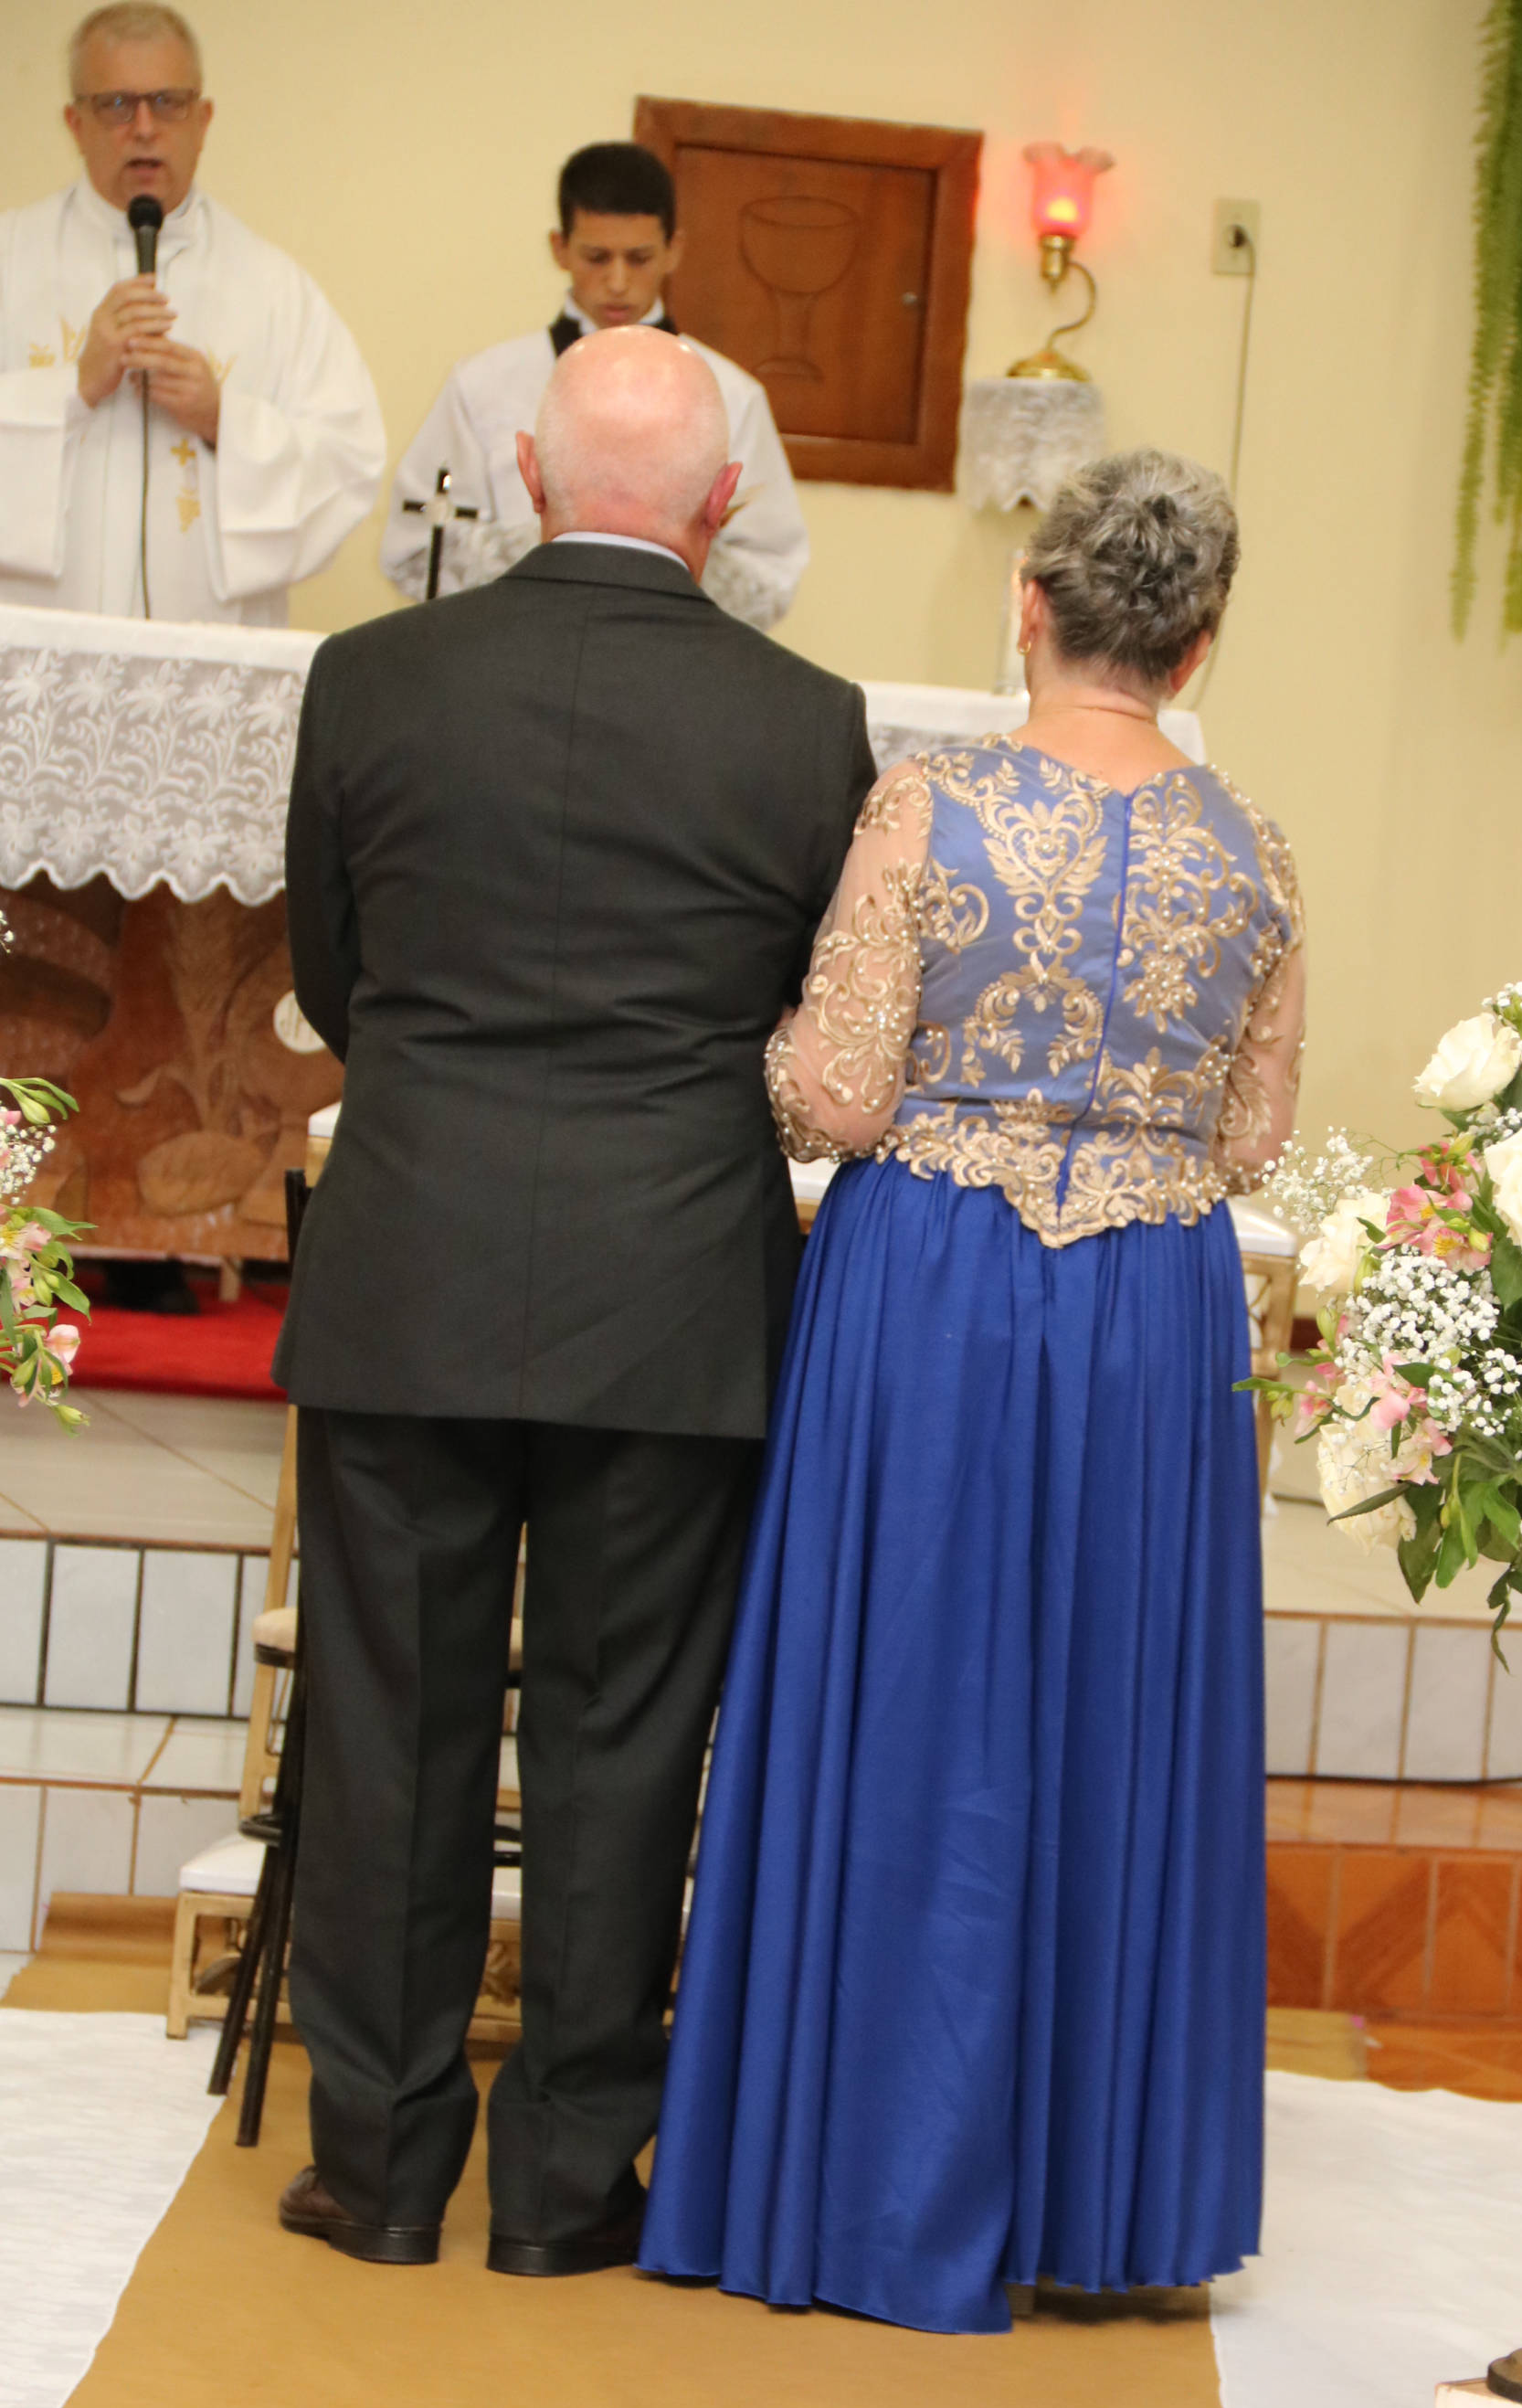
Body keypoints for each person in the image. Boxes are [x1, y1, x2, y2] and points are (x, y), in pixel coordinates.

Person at [641, 449, 1305, 2335]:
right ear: (1197, 645)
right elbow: (1253, 1134)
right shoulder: (1253, 851)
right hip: (1148, 1303)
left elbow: (841, 1095)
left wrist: (774, 1060)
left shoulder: (929, 807)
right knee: (1111, 1704)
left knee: (912, 1694)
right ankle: (1090, 2197)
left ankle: (858, 2174)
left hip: (931, 1281)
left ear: (1029, 608)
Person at [272, 326, 875, 2275]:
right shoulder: (806, 724)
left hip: (413, 1266)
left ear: (528, 478)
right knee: (622, 1743)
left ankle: (379, 2168)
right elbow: (804, 1012)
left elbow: (338, 975)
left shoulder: (375, 679)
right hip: (671, 1290)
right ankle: (564, 2183)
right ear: (723, 504)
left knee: (392, 1728)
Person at [0, 4, 385, 624]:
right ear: (75, 123)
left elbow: (347, 466)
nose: (144, 127)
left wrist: (223, 420)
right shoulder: (10, 259)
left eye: (168, 102)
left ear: (203, 120)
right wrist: (71, 391)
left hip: (206, 647)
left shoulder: (274, 288)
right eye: (116, 104)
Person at [381, 142, 809, 629]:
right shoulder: (483, 386)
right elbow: (415, 550)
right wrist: (557, 557)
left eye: (639, 258)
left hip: (668, 655)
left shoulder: (733, 397)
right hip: (514, 644)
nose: (618, 282)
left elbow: (771, 578)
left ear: (674, 250)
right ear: (559, 248)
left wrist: (656, 561)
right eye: (597, 257)